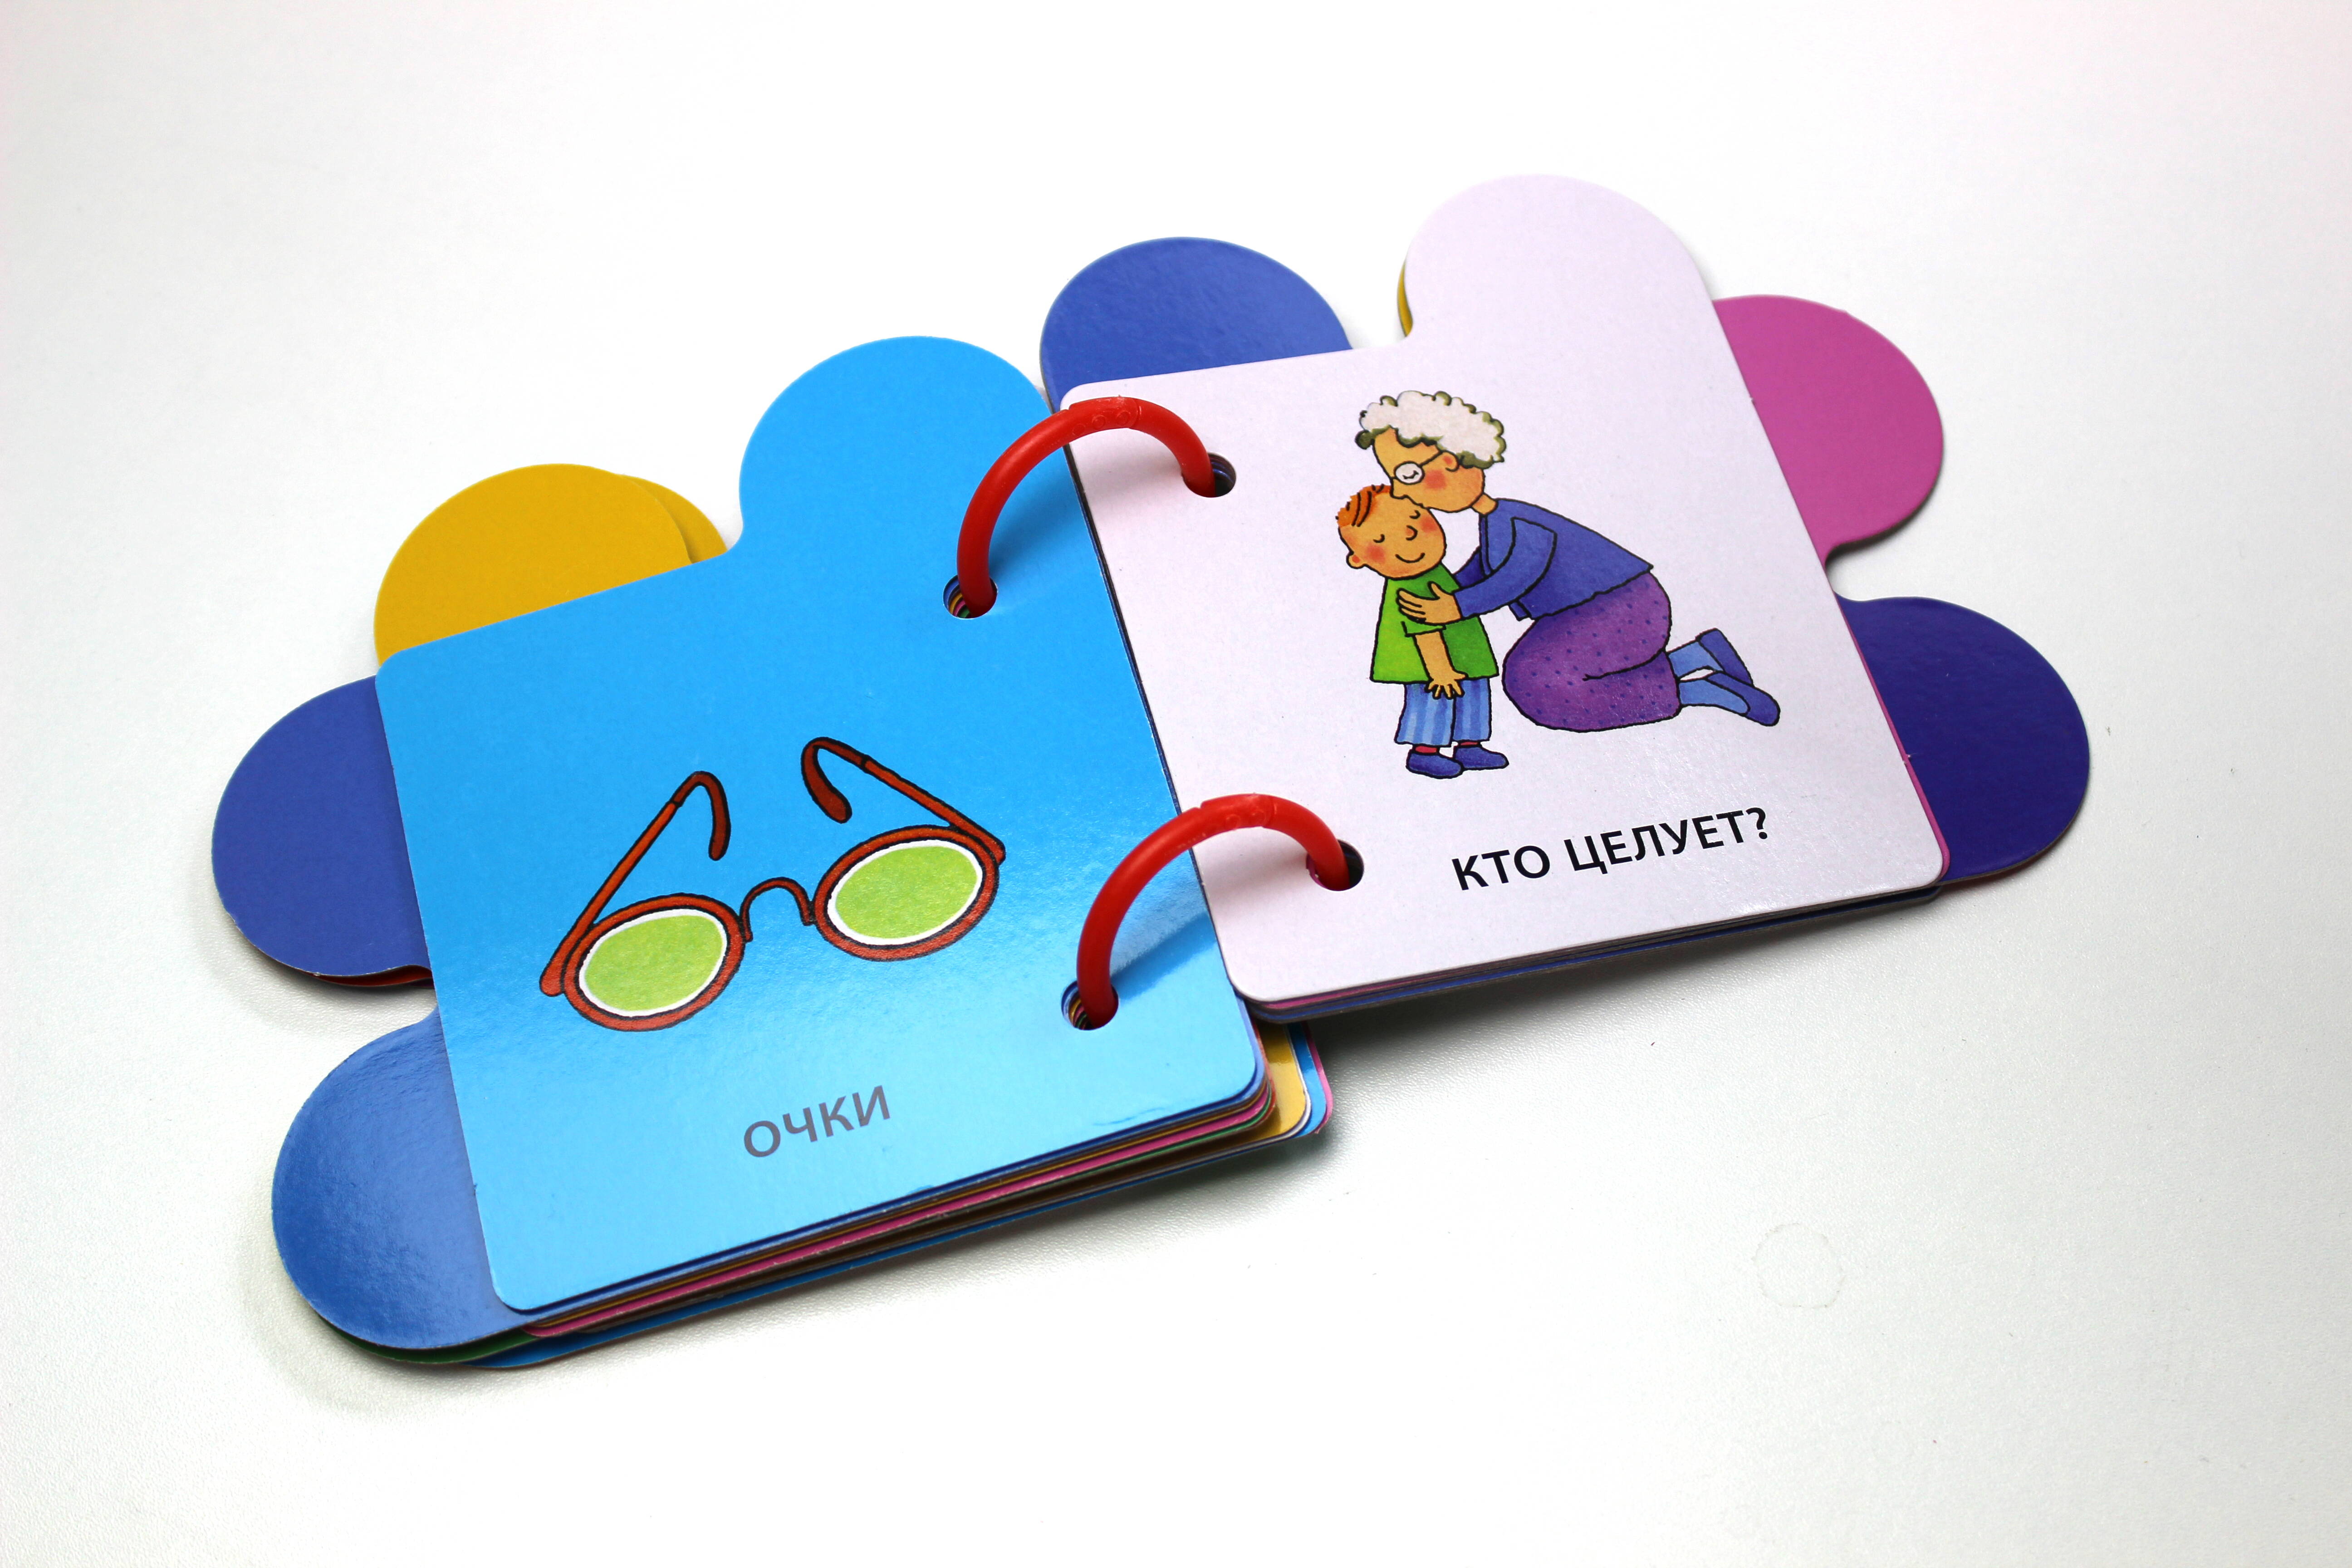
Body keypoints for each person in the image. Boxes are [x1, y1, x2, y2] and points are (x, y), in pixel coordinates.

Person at [1356, 392, 1779, 732]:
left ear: (1450, 459)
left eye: (1407, 475)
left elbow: (1520, 572)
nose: (1402, 491)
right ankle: (1697, 657)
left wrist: (1458, 606)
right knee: (1535, 678)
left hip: (1623, 610)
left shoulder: (1514, 519)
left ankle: (1704, 692)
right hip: (1601, 612)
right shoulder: (1498, 521)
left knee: (1538, 686)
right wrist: (1442, 590)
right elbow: (1485, 566)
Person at [1333, 485, 1510, 779]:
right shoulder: (1408, 586)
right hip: (1431, 668)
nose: (1408, 539)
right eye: (1381, 540)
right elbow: (1423, 630)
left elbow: (1462, 588)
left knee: (1473, 698)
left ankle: (1470, 746)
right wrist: (1440, 670)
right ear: (1358, 558)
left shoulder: (1436, 573)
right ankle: (1424, 753)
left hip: (1467, 655)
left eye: (1415, 522)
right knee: (1433, 704)